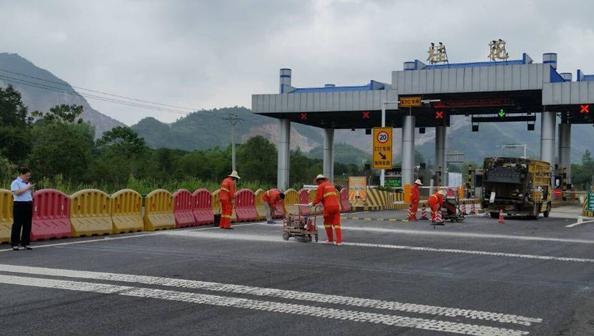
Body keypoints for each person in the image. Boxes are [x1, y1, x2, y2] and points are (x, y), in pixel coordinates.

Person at [309, 174, 341, 246]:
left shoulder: (321, 186)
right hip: (336, 206)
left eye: (317, 182)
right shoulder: (331, 185)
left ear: (319, 181)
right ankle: (339, 241)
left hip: (328, 207)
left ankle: (330, 240)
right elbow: (330, 197)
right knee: (337, 224)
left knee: (327, 223)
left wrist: (313, 203)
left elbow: (318, 198)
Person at [10, 167, 34, 251]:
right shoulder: (15, 182)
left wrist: (31, 190)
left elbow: (30, 194)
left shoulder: (28, 183)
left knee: (27, 224)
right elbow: (17, 193)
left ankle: (26, 243)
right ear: (21, 174)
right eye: (27, 176)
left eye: (29, 176)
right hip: (19, 204)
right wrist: (27, 187)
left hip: (28, 203)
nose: (28, 177)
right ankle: (15, 244)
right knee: (17, 224)